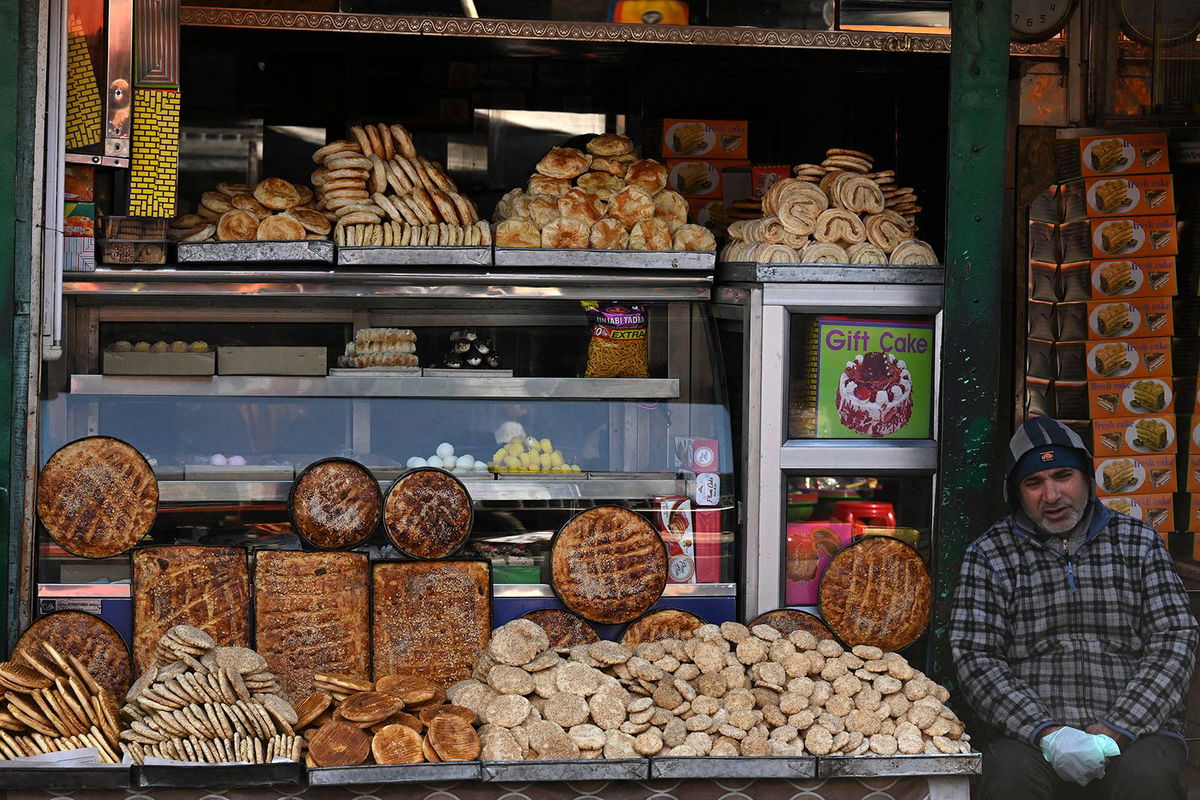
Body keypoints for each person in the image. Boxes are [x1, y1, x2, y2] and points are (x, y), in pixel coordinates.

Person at [950, 416, 1198, 799]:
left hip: (1136, 732)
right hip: (1029, 737)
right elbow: (975, 656)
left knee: (1150, 779)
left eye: (1063, 475)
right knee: (1009, 782)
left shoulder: (1138, 541)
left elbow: (1174, 638)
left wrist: (1116, 728)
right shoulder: (989, 554)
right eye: (1034, 483)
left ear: (1086, 477)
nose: (1051, 496)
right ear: (1017, 492)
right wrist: (1047, 733)